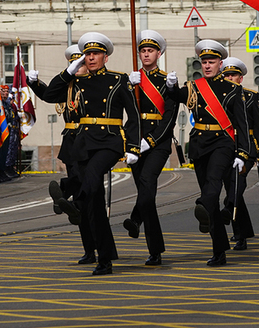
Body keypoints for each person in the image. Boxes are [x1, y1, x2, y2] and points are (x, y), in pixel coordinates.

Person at [42, 32, 141, 276]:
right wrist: (67, 72)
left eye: (96, 53)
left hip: (109, 141)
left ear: (105, 57)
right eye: (87, 54)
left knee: (94, 176)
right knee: (95, 203)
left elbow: (134, 115)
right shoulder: (76, 82)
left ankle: (74, 200)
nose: (91, 57)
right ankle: (104, 259)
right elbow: (48, 95)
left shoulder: (119, 80)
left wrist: (134, 147)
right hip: (84, 143)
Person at [167, 40, 250, 266]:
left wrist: (242, 153)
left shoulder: (234, 90)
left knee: (213, 186)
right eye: (204, 62)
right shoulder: (194, 87)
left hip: (223, 143)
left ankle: (202, 203)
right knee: (210, 196)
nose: (207, 65)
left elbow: (242, 125)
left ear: (220, 64)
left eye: (211, 61)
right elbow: (177, 97)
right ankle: (218, 249)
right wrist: (172, 86)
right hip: (200, 144)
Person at [28, 44, 96, 264]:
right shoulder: (67, 87)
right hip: (71, 141)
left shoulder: (94, 84)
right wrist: (34, 84)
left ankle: (64, 192)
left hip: (89, 140)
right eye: (73, 63)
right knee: (82, 199)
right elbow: (49, 94)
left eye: (81, 63)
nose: (77, 67)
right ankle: (88, 248)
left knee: (88, 193)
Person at [124, 30, 179, 266]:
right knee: (147, 195)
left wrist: (153, 141)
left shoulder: (167, 82)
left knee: (147, 182)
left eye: (150, 51)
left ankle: (136, 220)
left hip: (158, 142)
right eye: (143, 51)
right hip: (136, 141)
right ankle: (154, 250)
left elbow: (170, 116)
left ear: (159, 53)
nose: (146, 54)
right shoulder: (132, 80)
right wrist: (127, 87)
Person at [220, 56, 259, 251]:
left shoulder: (250, 96)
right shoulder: (219, 96)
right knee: (233, 188)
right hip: (225, 147)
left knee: (237, 186)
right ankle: (243, 232)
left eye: (233, 75)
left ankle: (229, 212)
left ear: (240, 78)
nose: (230, 78)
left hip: (247, 148)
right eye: (227, 75)